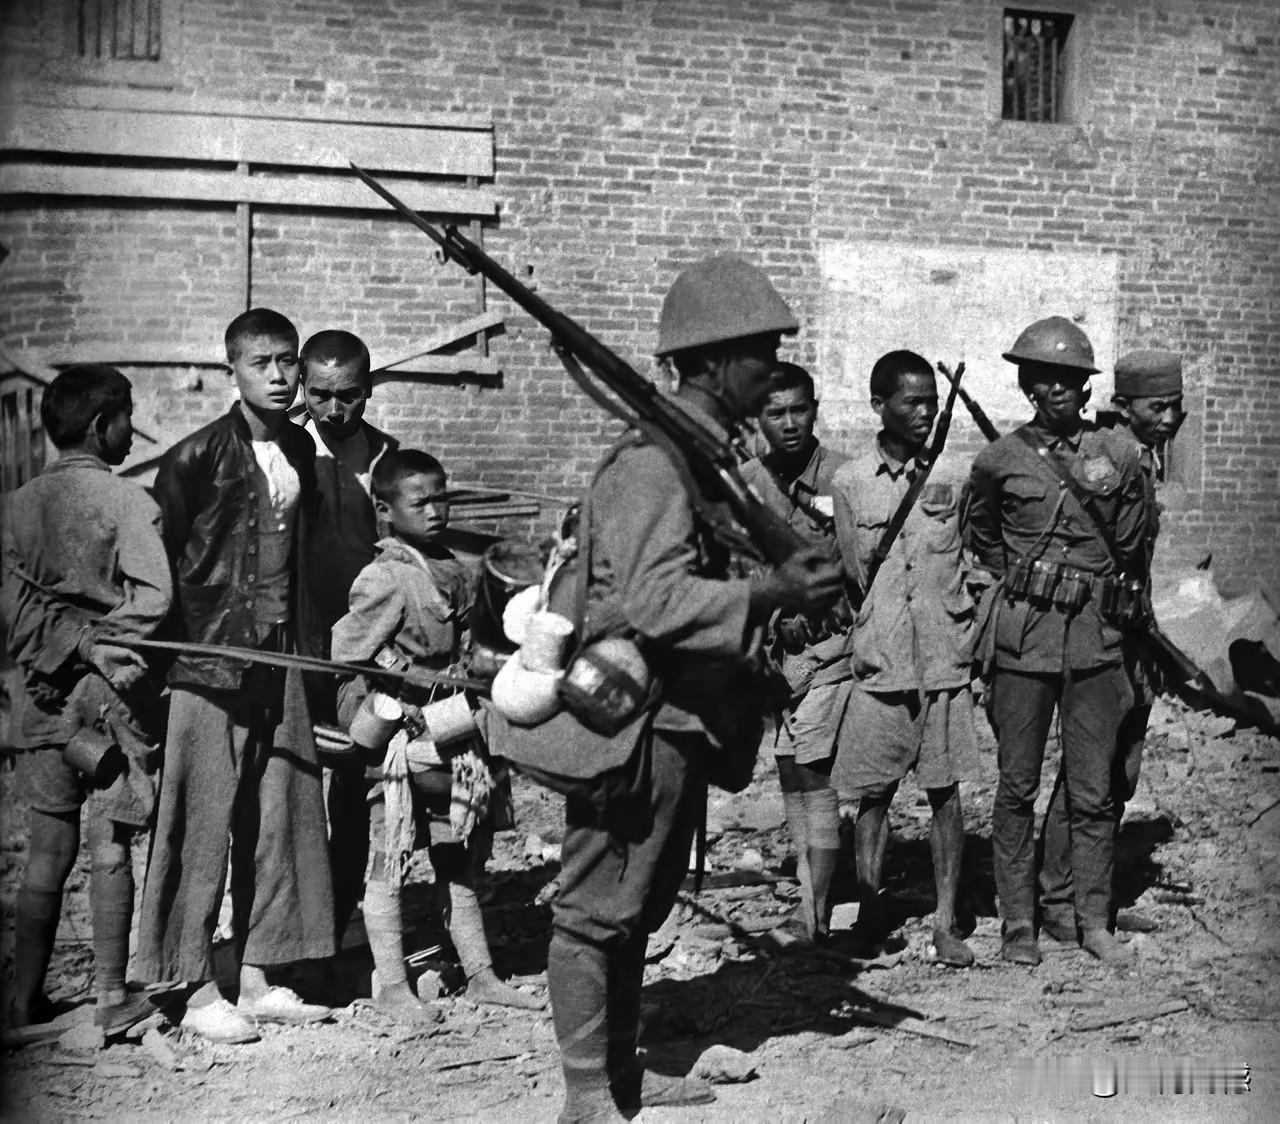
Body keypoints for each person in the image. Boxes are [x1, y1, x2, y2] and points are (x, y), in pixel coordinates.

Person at [525, 255, 843, 1123]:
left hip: (686, 713)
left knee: (640, 904)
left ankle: (623, 1071)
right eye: (759, 353)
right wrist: (767, 593)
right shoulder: (654, 464)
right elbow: (647, 600)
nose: (773, 368)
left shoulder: (710, 457)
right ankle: (587, 1094)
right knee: (596, 907)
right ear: (713, 361)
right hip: (637, 720)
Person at [135, 308, 335, 1043]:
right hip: (208, 661)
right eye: (262, 363)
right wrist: (163, 669)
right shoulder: (194, 457)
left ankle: (256, 978)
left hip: (281, 655)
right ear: (233, 372)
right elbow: (162, 568)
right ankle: (190, 988)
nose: (279, 377)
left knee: (281, 812)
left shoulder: (302, 450)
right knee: (199, 822)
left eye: (288, 361)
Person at [330, 448, 539, 1021]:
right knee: (390, 859)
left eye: (441, 499)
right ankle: (392, 987)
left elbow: (468, 644)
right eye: (419, 502)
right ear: (385, 510)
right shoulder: (383, 577)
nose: (434, 511)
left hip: (452, 732)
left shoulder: (453, 567)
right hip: (399, 738)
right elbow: (346, 651)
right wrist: (404, 678)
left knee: (457, 855)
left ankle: (479, 974)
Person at [965, 317, 1148, 966]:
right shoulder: (999, 461)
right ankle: (1019, 922)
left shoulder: (1117, 455)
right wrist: (1027, 580)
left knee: (1093, 791)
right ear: (1027, 386)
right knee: (1016, 788)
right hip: (1024, 641)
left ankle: (1092, 920)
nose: (1059, 388)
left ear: (1086, 385)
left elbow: (1131, 541)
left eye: (1070, 378)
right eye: (1045, 378)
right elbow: (983, 536)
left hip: (1095, 641)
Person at [2, 365, 171, 1032]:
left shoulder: (14, 506)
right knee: (111, 843)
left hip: (40, 695)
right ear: (103, 426)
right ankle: (110, 998)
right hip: (109, 698)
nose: (132, 430)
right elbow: (155, 598)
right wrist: (101, 644)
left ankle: (23, 1001)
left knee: (47, 853)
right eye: (127, 417)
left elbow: (11, 612)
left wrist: (66, 644)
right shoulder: (128, 501)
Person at [829, 350, 977, 968]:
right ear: (878, 405)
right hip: (882, 661)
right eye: (912, 402)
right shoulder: (850, 482)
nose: (925, 413)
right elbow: (850, 575)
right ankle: (869, 911)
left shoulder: (956, 476)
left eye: (931, 403)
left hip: (943, 659)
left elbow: (973, 558)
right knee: (872, 796)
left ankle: (946, 921)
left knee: (946, 795)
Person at [1039, 349, 1184, 937]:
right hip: (1098, 635)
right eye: (1158, 407)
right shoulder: (1104, 458)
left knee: (1121, 771)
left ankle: (1095, 895)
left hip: (1134, 634)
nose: (1169, 418)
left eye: (1176, 408)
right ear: (1123, 406)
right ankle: (1058, 902)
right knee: (1087, 773)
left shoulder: (1145, 459)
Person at [741, 361, 851, 943]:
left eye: (799, 410)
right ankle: (810, 899)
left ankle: (815, 913)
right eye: (775, 413)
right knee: (788, 771)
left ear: (815, 410)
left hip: (829, 650)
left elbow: (862, 566)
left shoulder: (844, 477)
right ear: (758, 418)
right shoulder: (745, 483)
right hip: (771, 660)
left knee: (814, 774)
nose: (788, 423)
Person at [296, 328, 399, 944]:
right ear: (303, 387)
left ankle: (342, 912)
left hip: (361, 645)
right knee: (290, 778)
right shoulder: (280, 449)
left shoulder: (386, 457)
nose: (335, 410)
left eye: (349, 395)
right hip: (293, 642)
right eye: (322, 395)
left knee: (358, 774)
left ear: (370, 389)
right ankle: (294, 921)